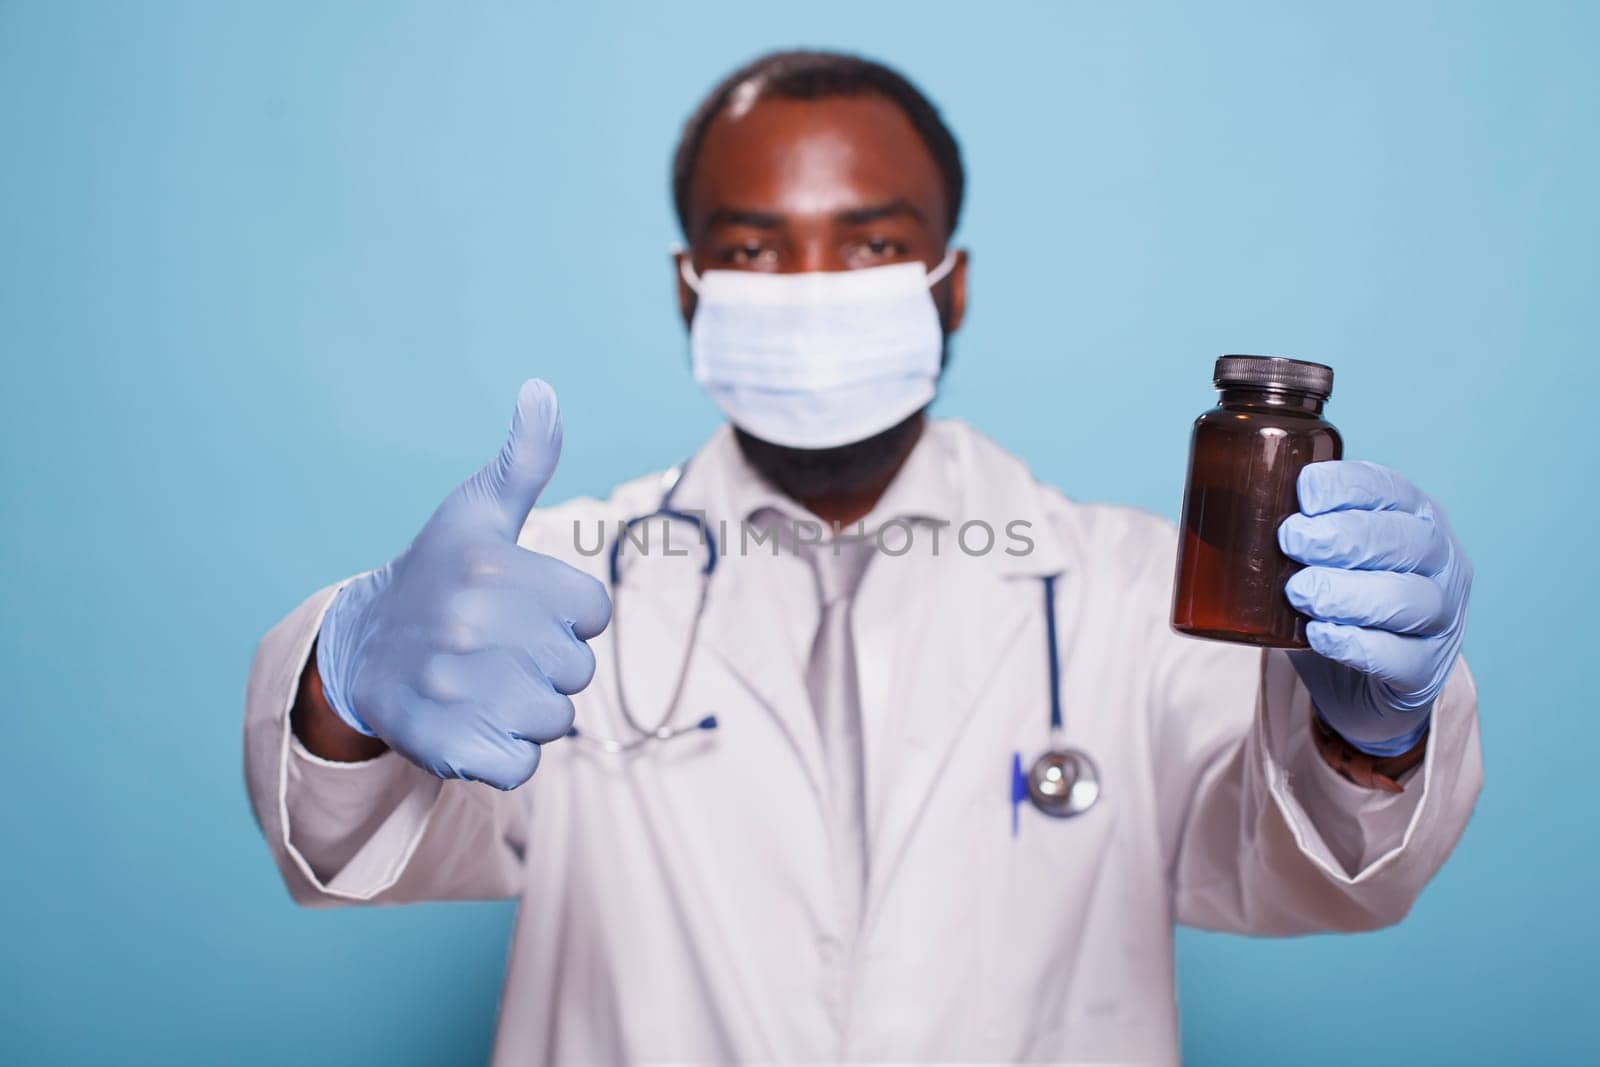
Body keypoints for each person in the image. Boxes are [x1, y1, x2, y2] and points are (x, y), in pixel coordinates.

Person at [244, 50, 1480, 1065]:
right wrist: (343, 687)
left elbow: (1311, 879)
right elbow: (349, 849)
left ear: (951, 285)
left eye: (875, 244)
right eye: (755, 249)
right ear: (690, 288)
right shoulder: (557, 582)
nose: (814, 288)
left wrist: (1361, 742)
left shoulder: (1119, 589)